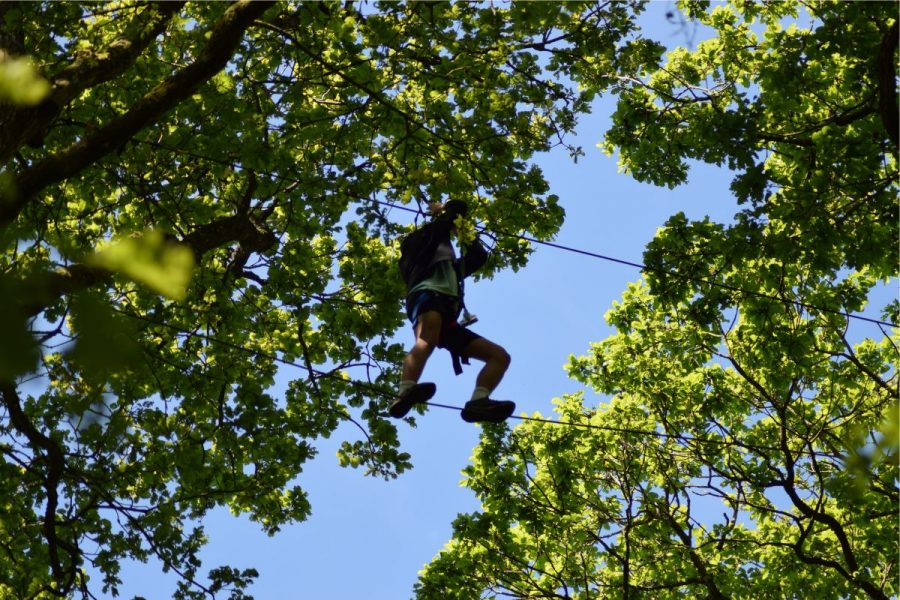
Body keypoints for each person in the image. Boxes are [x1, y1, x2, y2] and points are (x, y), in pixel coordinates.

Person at [390, 199, 515, 423]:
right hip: (427, 296)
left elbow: (478, 256)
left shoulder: (452, 269)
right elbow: (443, 224)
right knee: (427, 339)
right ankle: (405, 390)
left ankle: (479, 401)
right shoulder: (420, 253)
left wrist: (462, 228)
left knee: (499, 356)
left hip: (446, 315)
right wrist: (445, 212)